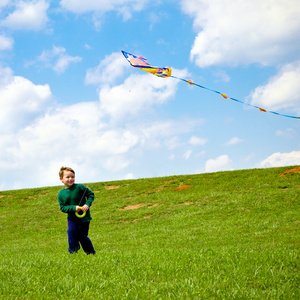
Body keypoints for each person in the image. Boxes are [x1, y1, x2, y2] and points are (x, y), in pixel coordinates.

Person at [58, 166, 96, 254]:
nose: (70, 179)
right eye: (67, 177)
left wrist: (87, 204)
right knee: (71, 232)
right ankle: (73, 250)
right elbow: (63, 207)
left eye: (72, 177)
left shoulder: (79, 187)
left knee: (82, 236)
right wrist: (73, 208)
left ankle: (91, 252)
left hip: (84, 217)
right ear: (61, 179)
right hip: (72, 218)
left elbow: (91, 194)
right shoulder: (61, 194)